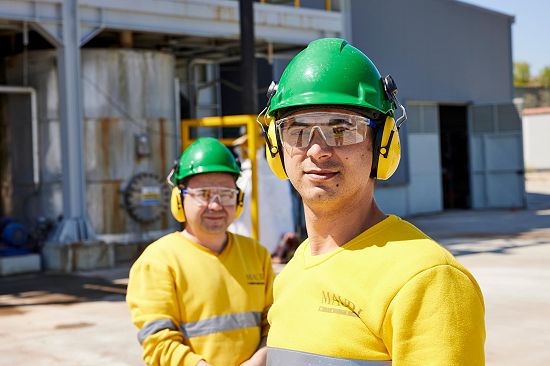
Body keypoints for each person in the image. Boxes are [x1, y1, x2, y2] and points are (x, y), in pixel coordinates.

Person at [258, 38, 485, 365]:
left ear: (383, 142)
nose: (316, 150)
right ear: (276, 147)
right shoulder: (295, 270)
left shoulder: (427, 279)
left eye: (341, 129)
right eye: (297, 129)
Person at [126, 137, 274, 366]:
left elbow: (273, 324)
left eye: (225, 195)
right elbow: (157, 338)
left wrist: (259, 360)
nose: (215, 205)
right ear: (179, 199)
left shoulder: (256, 254)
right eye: (204, 194)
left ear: (239, 199)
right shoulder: (158, 261)